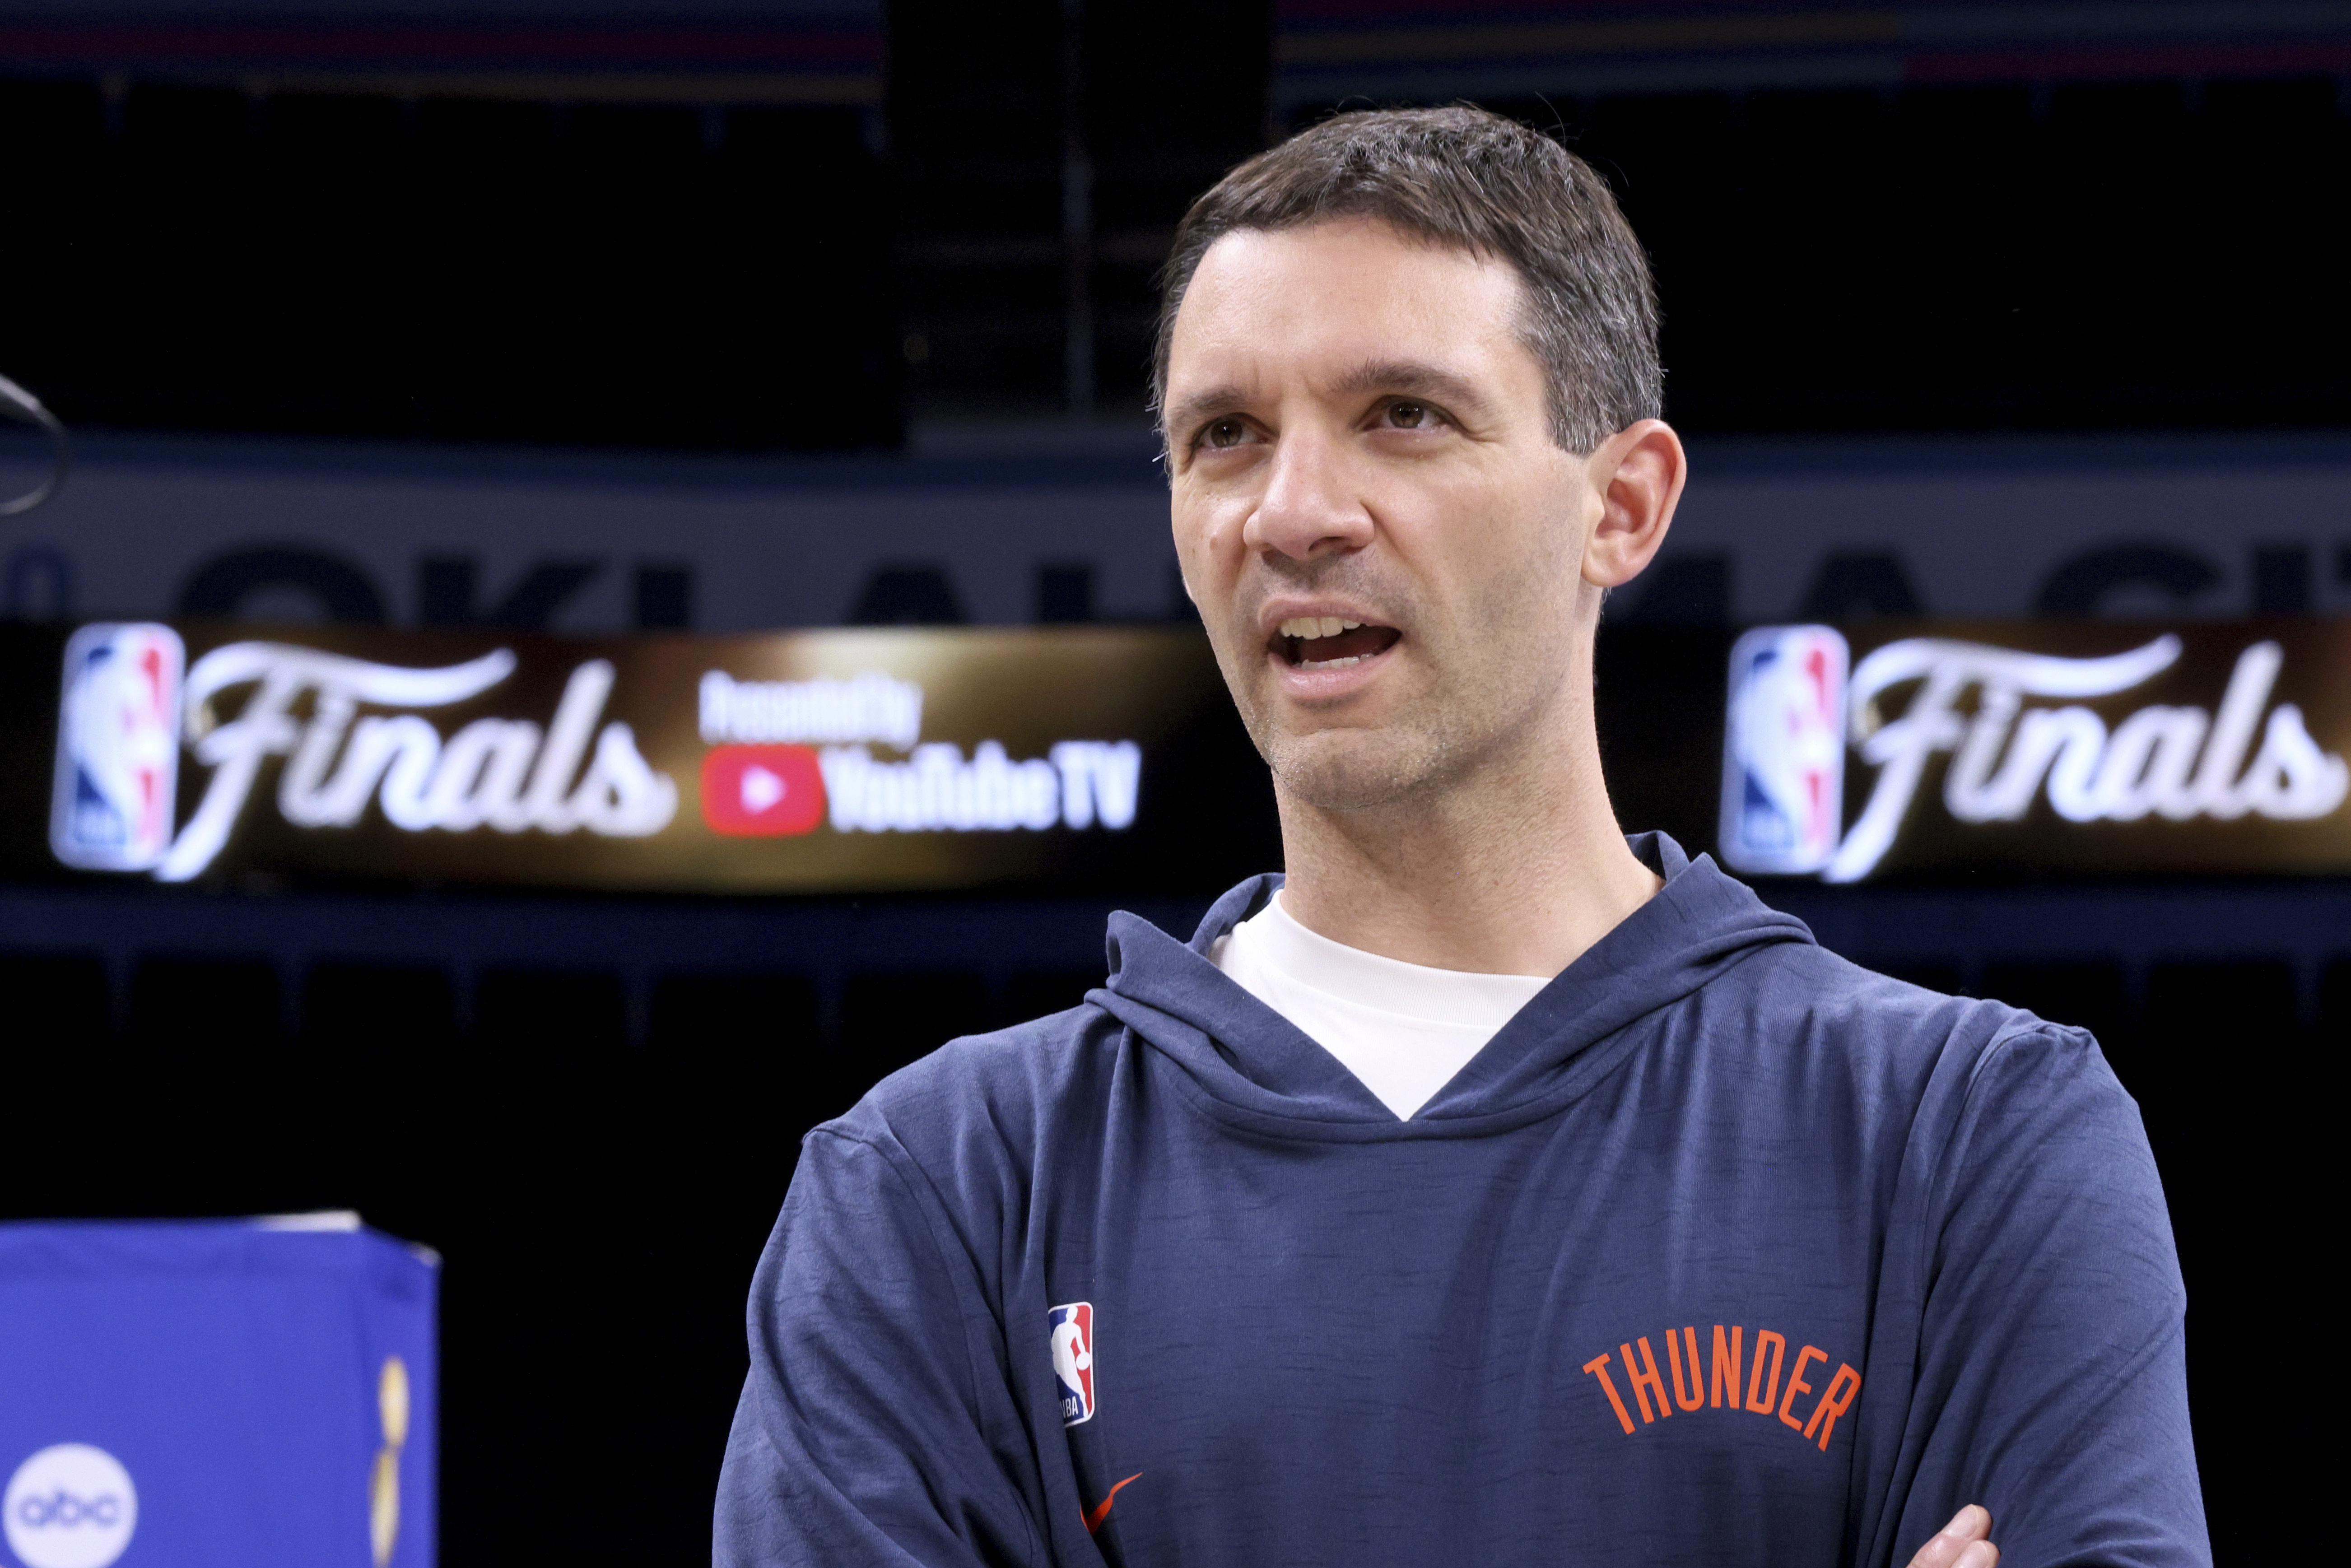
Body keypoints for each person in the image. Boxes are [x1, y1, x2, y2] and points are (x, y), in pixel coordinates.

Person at [714, 107, 2206, 1568]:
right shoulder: (933, 1189)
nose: (1292, 512)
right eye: (1225, 435)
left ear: (1623, 505)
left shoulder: (1977, 1136)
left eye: (1403, 416)